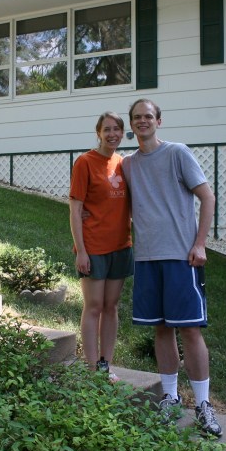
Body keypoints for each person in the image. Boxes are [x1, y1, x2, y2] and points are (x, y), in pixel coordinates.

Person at [121, 98, 222, 437]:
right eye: (137, 118)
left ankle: (204, 406)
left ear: (159, 121)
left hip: (182, 257)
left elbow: (207, 196)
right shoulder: (128, 165)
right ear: (131, 125)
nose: (142, 122)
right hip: (147, 258)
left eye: (148, 116)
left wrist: (200, 243)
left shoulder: (178, 153)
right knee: (161, 330)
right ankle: (170, 398)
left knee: (190, 330)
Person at [69, 112, 133, 381]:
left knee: (112, 305)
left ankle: (106, 363)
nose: (112, 134)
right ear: (98, 133)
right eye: (107, 129)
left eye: (117, 129)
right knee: (93, 305)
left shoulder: (124, 164)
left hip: (121, 245)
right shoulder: (85, 162)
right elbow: (75, 210)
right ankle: (92, 366)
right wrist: (81, 250)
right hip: (93, 246)